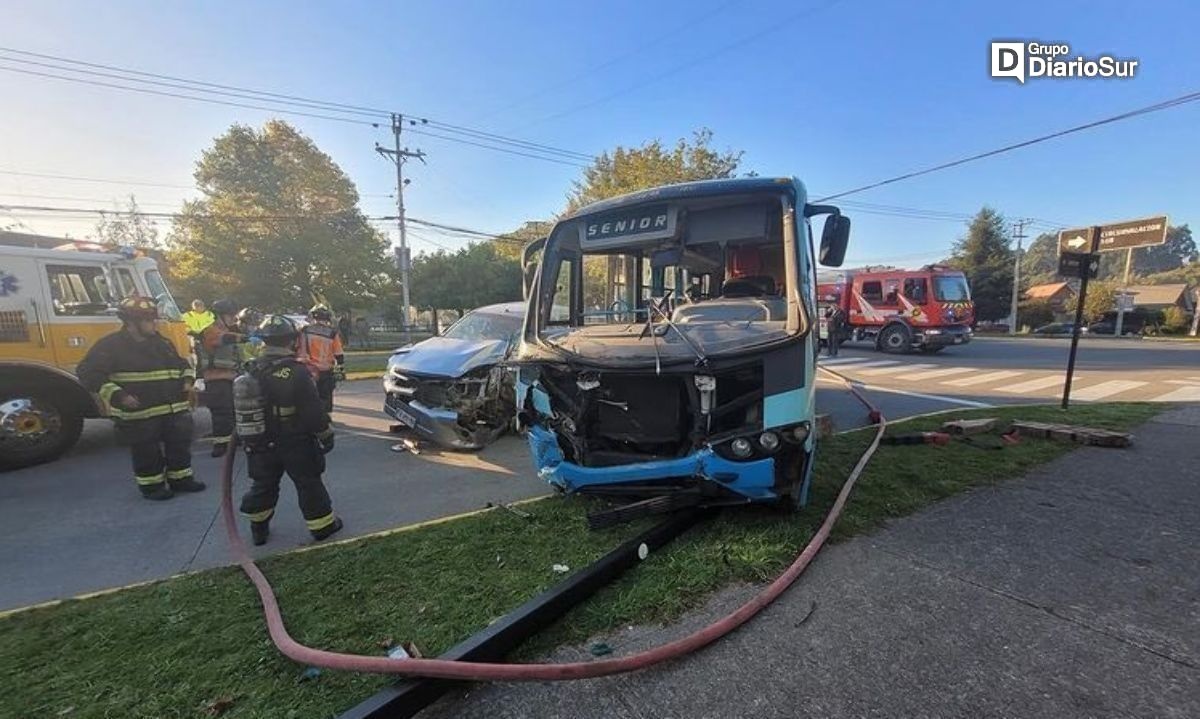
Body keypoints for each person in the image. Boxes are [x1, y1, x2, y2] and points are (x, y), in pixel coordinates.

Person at [76, 296, 205, 500]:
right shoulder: (110, 346)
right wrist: (119, 396)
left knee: (179, 446)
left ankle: (181, 480)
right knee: (147, 452)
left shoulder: (162, 343)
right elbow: (88, 373)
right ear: (131, 323)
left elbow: (182, 365)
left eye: (153, 320)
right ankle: (152, 487)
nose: (154, 324)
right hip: (139, 412)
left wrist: (187, 380)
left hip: (173, 409)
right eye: (148, 320)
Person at [239, 314, 341, 545]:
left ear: (264, 341)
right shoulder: (296, 371)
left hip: (261, 442)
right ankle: (323, 527)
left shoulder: (252, 370)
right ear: (293, 341)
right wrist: (325, 435)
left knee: (263, 484)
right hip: (294, 438)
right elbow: (312, 410)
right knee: (308, 483)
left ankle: (258, 529)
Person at [198, 299, 246, 457]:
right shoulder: (211, 331)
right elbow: (224, 339)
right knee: (221, 412)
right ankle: (220, 445)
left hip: (230, 378)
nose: (233, 319)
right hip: (216, 379)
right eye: (230, 316)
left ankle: (233, 439)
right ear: (221, 316)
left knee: (232, 410)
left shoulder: (229, 330)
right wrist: (246, 337)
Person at [299, 304, 345, 414]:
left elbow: (296, 347)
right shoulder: (332, 333)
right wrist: (341, 369)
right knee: (325, 396)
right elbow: (338, 354)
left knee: (307, 395)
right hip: (325, 370)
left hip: (306, 368)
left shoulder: (304, 330)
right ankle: (324, 420)